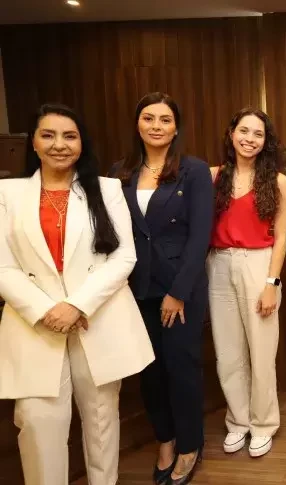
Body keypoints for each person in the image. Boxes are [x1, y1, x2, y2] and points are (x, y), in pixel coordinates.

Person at [0, 104, 154, 484]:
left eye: (69, 136)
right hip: (35, 323)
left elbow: (124, 257)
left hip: (96, 317)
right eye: (48, 135)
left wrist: (76, 305)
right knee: (38, 424)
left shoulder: (107, 189)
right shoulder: (8, 193)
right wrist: (47, 309)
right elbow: (3, 266)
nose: (59, 144)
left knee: (101, 421)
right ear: (33, 143)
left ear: (82, 143)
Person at [111, 92, 213, 485]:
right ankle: (165, 440)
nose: (156, 126)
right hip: (136, 286)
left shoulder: (194, 171)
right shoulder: (121, 171)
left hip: (179, 285)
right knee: (150, 372)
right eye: (149, 118)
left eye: (165, 119)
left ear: (176, 127)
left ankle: (189, 444)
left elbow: (200, 236)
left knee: (181, 368)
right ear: (138, 124)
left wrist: (179, 291)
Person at [208, 108, 286, 457]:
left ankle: (263, 423)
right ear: (231, 133)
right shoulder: (212, 176)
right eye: (244, 131)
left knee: (261, 350)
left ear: (265, 141)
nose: (249, 139)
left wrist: (272, 283)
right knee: (228, 352)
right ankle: (238, 421)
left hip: (259, 264)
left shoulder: (277, 181)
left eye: (258, 134)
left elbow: (282, 237)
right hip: (219, 263)